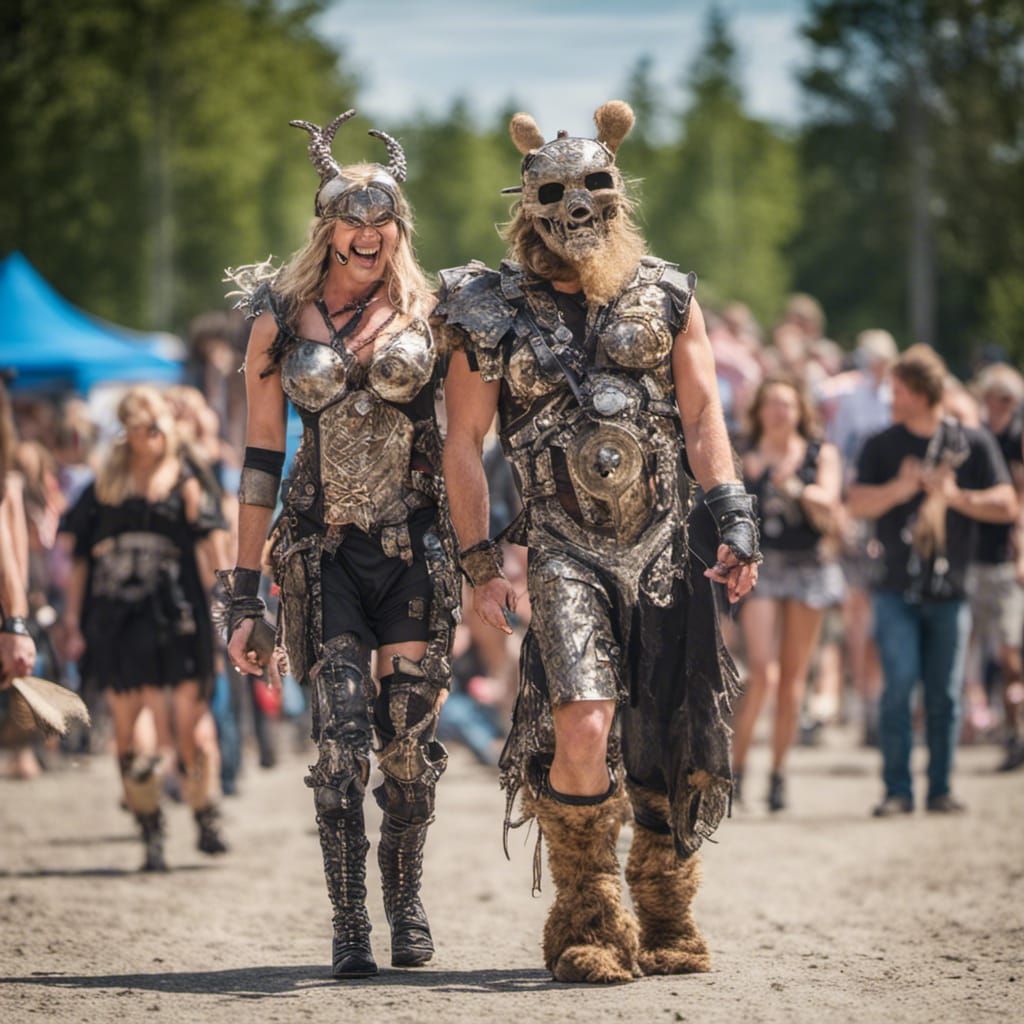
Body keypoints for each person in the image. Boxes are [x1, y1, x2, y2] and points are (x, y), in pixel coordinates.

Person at [437, 101, 759, 984]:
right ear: (527, 205)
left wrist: (733, 512)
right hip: (561, 549)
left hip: (665, 541)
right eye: (555, 192)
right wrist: (477, 563)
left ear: (618, 193)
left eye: (592, 188)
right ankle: (587, 915)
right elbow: (462, 442)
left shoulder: (668, 292)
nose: (576, 208)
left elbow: (703, 412)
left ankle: (667, 908)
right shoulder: (489, 309)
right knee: (582, 723)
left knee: (671, 731)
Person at [223, 111, 459, 979]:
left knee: (408, 748)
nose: (367, 233)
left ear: (398, 227)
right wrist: (241, 594)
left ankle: (406, 902)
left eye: (381, 219)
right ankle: (350, 918)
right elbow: (259, 461)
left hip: (414, 551)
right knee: (341, 745)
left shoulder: (434, 316)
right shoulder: (279, 322)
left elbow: (469, 442)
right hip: (321, 556)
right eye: (350, 220)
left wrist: (492, 556)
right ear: (326, 227)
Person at [60, 387, 227, 867]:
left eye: (159, 425)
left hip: (180, 618)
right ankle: (149, 827)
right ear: (127, 431)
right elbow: (76, 558)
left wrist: (230, 610)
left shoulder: (187, 479)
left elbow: (213, 550)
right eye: (144, 427)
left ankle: (205, 811)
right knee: (132, 735)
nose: (153, 435)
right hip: (118, 620)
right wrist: (71, 620)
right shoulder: (106, 484)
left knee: (193, 730)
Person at [848, 344, 1018, 816]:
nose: (891, 397)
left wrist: (956, 496)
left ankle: (940, 788)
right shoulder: (881, 444)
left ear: (923, 393)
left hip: (951, 589)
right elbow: (855, 502)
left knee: (944, 694)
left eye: (899, 389)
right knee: (899, 685)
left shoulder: (971, 444)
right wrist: (900, 488)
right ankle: (897, 790)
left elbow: (1007, 504)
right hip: (893, 587)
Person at [732, 376, 843, 811]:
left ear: (800, 411)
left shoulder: (819, 453)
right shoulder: (744, 453)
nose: (779, 412)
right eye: (772, 404)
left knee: (794, 679)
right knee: (764, 672)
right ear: (759, 411)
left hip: (809, 567)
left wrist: (797, 487)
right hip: (762, 566)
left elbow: (831, 502)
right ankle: (737, 769)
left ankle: (778, 773)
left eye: (787, 404)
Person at [967, 364, 1024, 769]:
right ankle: (978, 724)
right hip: (974, 555)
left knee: (1008, 653)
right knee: (969, 651)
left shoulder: (1017, 438)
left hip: (1006, 559)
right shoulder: (978, 438)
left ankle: (1014, 730)